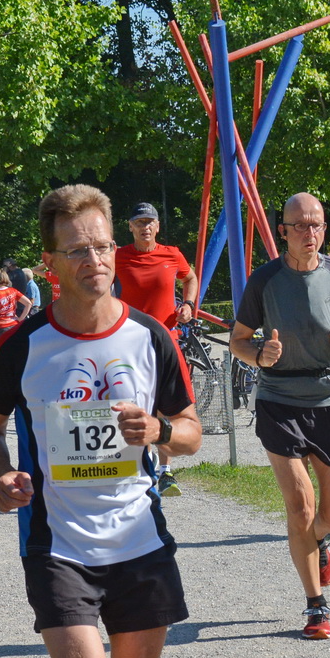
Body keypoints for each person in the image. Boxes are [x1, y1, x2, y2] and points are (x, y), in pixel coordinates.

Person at [0, 183, 201, 658]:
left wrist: (158, 428)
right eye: (78, 250)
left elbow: (191, 431)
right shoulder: (23, 345)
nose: (95, 260)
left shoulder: (149, 337)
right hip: (59, 540)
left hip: (140, 539)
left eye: (102, 246)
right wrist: (3, 473)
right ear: (51, 263)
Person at [229, 192, 330, 640]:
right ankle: (315, 606)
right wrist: (260, 355)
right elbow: (238, 340)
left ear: (327, 229)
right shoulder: (264, 280)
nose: (310, 233)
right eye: (300, 225)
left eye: (317, 224)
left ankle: (319, 541)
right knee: (301, 506)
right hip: (280, 400)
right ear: (282, 230)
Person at [114, 201, 199, 496]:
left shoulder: (171, 254)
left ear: (158, 226)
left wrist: (188, 304)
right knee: (131, 400)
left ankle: (165, 470)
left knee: (167, 405)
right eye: (139, 222)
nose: (145, 227)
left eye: (150, 222)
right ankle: (136, 463)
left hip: (166, 341)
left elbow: (190, 277)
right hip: (129, 342)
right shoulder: (118, 257)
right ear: (130, 227)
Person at [0, 269, 30, 342]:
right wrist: (21, 318)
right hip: (12, 324)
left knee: (0, 349)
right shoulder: (13, 291)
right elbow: (28, 303)